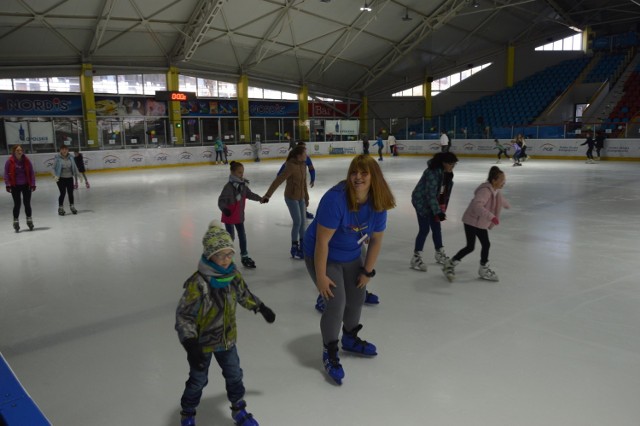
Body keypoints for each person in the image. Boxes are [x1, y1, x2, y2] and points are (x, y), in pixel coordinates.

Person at [303, 154, 396, 384]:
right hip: (323, 254)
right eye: (354, 172)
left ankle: (350, 338)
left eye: (364, 173)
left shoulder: (378, 203)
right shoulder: (335, 200)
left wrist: (367, 272)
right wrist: (321, 276)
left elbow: (375, 240)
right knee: (336, 302)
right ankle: (330, 350)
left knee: (357, 297)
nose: (357, 177)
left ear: (374, 177)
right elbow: (321, 243)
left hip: (352, 253)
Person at [175, 221, 275, 426]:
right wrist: (190, 343)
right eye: (221, 255)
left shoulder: (232, 275)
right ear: (209, 255)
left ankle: (238, 408)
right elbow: (184, 316)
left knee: (235, 374)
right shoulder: (199, 282)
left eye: (230, 254)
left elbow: (243, 294)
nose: (226, 259)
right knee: (198, 380)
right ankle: (188, 413)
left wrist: (260, 307)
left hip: (227, 340)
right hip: (201, 344)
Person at [442, 166, 510, 282]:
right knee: (470, 246)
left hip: (480, 222)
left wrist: (506, 204)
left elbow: (499, 198)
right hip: (471, 221)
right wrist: (491, 217)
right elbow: (476, 206)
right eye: (502, 180)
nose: (504, 183)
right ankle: (450, 264)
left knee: (486, 244)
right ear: (494, 180)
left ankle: (483, 268)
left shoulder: (495, 191)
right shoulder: (485, 191)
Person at [410, 152, 458, 272]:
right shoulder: (432, 173)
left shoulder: (447, 174)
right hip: (421, 202)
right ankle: (416, 257)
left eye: (454, 164)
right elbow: (430, 194)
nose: (453, 167)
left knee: (436, 227)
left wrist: (441, 210)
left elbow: (444, 194)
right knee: (425, 229)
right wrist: (438, 211)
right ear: (444, 163)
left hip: (433, 203)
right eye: (451, 164)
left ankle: (439, 253)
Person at [262, 145, 309, 259]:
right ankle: (294, 247)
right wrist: (268, 195)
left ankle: (303, 247)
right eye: (304, 153)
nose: (306, 155)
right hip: (291, 197)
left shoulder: (303, 165)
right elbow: (278, 181)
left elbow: (304, 183)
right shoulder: (290, 166)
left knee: (303, 222)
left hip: (301, 197)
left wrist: (306, 197)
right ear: (298, 156)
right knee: (297, 222)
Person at [218, 161, 264, 269]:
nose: (242, 175)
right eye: (239, 173)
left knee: (242, 236)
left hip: (239, 216)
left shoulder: (242, 185)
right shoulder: (228, 187)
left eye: (242, 172)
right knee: (230, 238)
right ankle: (228, 258)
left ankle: (244, 256)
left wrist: (260, 199)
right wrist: (224, 209)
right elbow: (221, 201)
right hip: (229, 216)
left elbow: (249, 194)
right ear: (232, 173)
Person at [277, 142, 316, 219]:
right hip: (294, 183)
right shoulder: (292, 160)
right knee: (297, 197)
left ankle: (304, 211)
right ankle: (300, 213)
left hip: (302, 181)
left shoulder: (307, 158)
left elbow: (311, 169)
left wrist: (313, 178)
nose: (305, 152)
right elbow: (284, 167)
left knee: (304, 196)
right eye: (303, 149)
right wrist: (279, 176)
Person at [4, 144, 36, 232]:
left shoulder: (26, 161)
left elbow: (31, 173)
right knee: (17, 204)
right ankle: (16, 221)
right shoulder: (9, 161)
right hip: (15, 186)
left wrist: (33, 183)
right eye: (17, 150)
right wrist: (7, 184)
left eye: (20, 150)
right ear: (14, 151)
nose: (19, 152)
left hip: (26, 185)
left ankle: (29, 219)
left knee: (27, 203)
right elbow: (6, 174)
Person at [53, 145, 80, 215]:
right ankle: (60, 208)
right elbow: (53, 168)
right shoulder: (57, 158)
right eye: (62, 149)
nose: (64, 151)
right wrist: (54, 176)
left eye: (66, 149)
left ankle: (72, 206)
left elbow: (74, 166)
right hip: (60, 178)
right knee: (63, 193)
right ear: (60, 150)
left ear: (68, 150)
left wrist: (79, 175)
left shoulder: (71, 157)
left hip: (70, 178)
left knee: (70, 193)